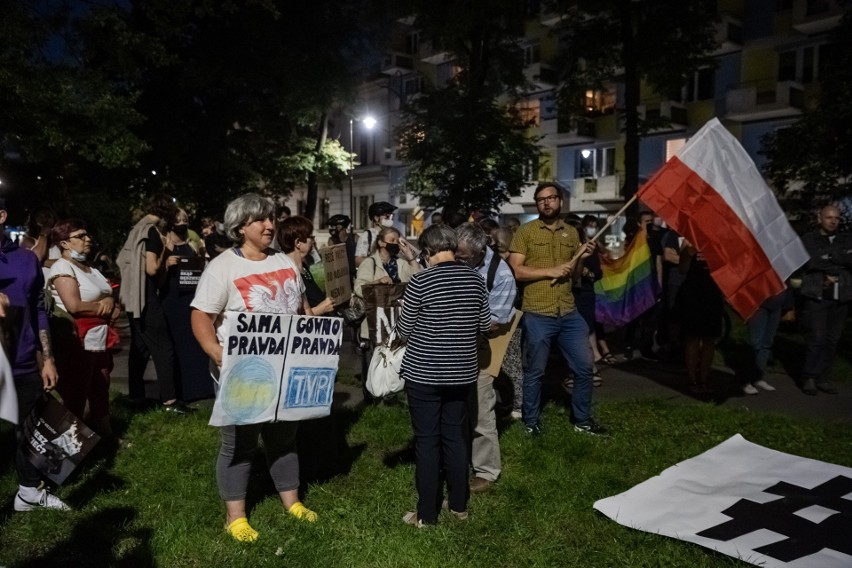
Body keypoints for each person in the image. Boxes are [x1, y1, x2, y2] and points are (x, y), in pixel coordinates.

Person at [190, 193, 317, 543]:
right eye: (261, 220)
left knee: (283, 437)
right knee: (240, 443)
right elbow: (201, 314)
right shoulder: (222, 267)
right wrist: (215, 351)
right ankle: (235, 517)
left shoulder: (285, 261)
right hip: (242, 372)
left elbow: (299, 309)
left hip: (285, 369)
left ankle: (291, 502)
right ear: (240, 226)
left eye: (270, 218)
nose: (270, 225)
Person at [398, 224, 491, 526]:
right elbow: (485, 325)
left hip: (424, 373)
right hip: (462, 372)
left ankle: (426, 515)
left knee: (427, 442)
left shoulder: (421, 280)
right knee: (455, 437)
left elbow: (403, 329)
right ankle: (459, 506)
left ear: (426, 251)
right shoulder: (475, 279)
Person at [508, 183, 605, 436]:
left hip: (568, 311)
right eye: (541, 200)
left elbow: (574, 278)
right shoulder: (525, 232)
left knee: (584, 368)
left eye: (551, 198)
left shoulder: (572, 233)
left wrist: (581, 259)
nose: (546, 203)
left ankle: (582, 420)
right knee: (535, 371)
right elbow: (516, 270)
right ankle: (531, 422)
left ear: (560, 201)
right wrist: (548, 271)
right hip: (538, 312)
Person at [0, 199, 65, 511]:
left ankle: (28, 492)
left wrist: (47, 357)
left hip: (24, 360)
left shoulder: (26, 260)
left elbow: (39, 308)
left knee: (30, 428)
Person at [456, 223, 515, 494]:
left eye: (464, 258)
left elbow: (496, 322)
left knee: (480, 408)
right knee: (455, 407)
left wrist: (458, 319)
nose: (458, 261)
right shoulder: (459, 260)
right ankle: (457, 458)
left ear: (480, 252)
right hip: (452, 347)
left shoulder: (500, 274)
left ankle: (486, 471)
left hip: (481, 347)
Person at [48, 220, 121, 437]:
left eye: (86, 235)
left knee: (101, 383)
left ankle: (104, 433)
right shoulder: (62, 267)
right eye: (80, 236)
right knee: (77, 389)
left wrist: (109, 300)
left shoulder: (91, 268)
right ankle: (72, 442)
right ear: (64, 243)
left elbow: (107, 292)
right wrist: (105, 306)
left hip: (99, 336)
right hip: (79, 339)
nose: (87, 239)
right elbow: (74, 305)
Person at [117, 193, 186, 411]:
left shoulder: (136, 229)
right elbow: (152, 268)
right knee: (164, 348)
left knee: (140, 350)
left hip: (131, 298)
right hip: (146, 299)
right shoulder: (152, 233)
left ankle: (136, 397)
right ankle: (170, 401)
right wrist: (167, 251)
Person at [354, 226, 420, 397]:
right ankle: (372, 397)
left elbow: (419, 279)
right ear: (381, 243)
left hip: (396, 322)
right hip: (374, 324)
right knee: (373, 362)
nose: (395, 244)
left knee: (395, 360)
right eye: (391, 241)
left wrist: (411, 258)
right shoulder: (370, 263)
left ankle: (393, 392)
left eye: (397, 241)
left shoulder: (400, 263)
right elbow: (359, 289)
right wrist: (378, 282)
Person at [161, 209, 213, 402]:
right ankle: (181, 391)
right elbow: (155, 275)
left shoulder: (193, 244)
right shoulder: (164, 244)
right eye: (178, 219)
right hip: (173, 301)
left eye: (185, 219)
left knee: (195, 343)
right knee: (177, 345)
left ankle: (200, 388)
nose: (182, 222)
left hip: (192, 298)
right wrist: (166, 265)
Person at [799, 205, 852, 396]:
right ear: (819, 217)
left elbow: (850, 259)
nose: (833, 221)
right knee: (817, 338)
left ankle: (823, 378)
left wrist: (830, 258)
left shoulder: (846, 238)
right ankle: (809, 377)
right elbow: (811, 261)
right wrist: (838, 259)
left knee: (832, 340)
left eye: (837, 218)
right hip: (817, 296)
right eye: (829, 217)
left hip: (841, 296)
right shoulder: (809, 239)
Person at [676, 239, 724, 394]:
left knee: (710, 338)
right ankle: (692, 379)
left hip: (713, 294)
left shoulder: (719, 241)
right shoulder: (688, 241)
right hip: (693, 294)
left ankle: (704, 378)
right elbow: (682, 269)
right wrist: (688, 255)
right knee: (693, 338)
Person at [278, 215, 336, 316]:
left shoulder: (303, 267)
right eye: (310, 237)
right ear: (298, 243)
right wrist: (321, 309)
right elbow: (289, 316)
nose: (313, 241)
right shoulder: (285, 273)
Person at [742, 289, 791, 395]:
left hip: (777, 305)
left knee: (767, 343)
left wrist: (788, 306)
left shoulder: (783, 272)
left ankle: (758, 377)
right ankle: (746, 380)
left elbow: (788, 286)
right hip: (759, 305)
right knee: (754, 342)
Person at [354, 201, 396, 267]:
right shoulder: (367, 235)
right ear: (376, 218)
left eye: (391, 217)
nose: (390, 220)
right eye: (387, 217)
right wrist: (376, 262)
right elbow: (358, 260)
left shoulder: (393, 234)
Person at [327, 214, 359, 285]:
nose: (332, 228)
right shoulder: (332, 240)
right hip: (341, 275)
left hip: (354, 274)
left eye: (334, 226)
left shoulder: (354, 238)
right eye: (331, 226)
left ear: (342, 226)